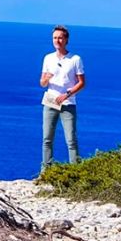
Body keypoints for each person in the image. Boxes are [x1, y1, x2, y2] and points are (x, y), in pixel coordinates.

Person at [40, 25, 85, 172]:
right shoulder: (48, 58)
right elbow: (42, 83)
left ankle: (75, 172)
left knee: (71, 140)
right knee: (47, 139)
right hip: (50, 102)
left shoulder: (75, 59)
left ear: (66, 40)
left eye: (60, 37)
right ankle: (45, 172)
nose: (57, 40)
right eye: (54, 38)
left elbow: (82, 83)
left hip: (68, 103)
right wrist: (45, 79)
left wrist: (67, 94)